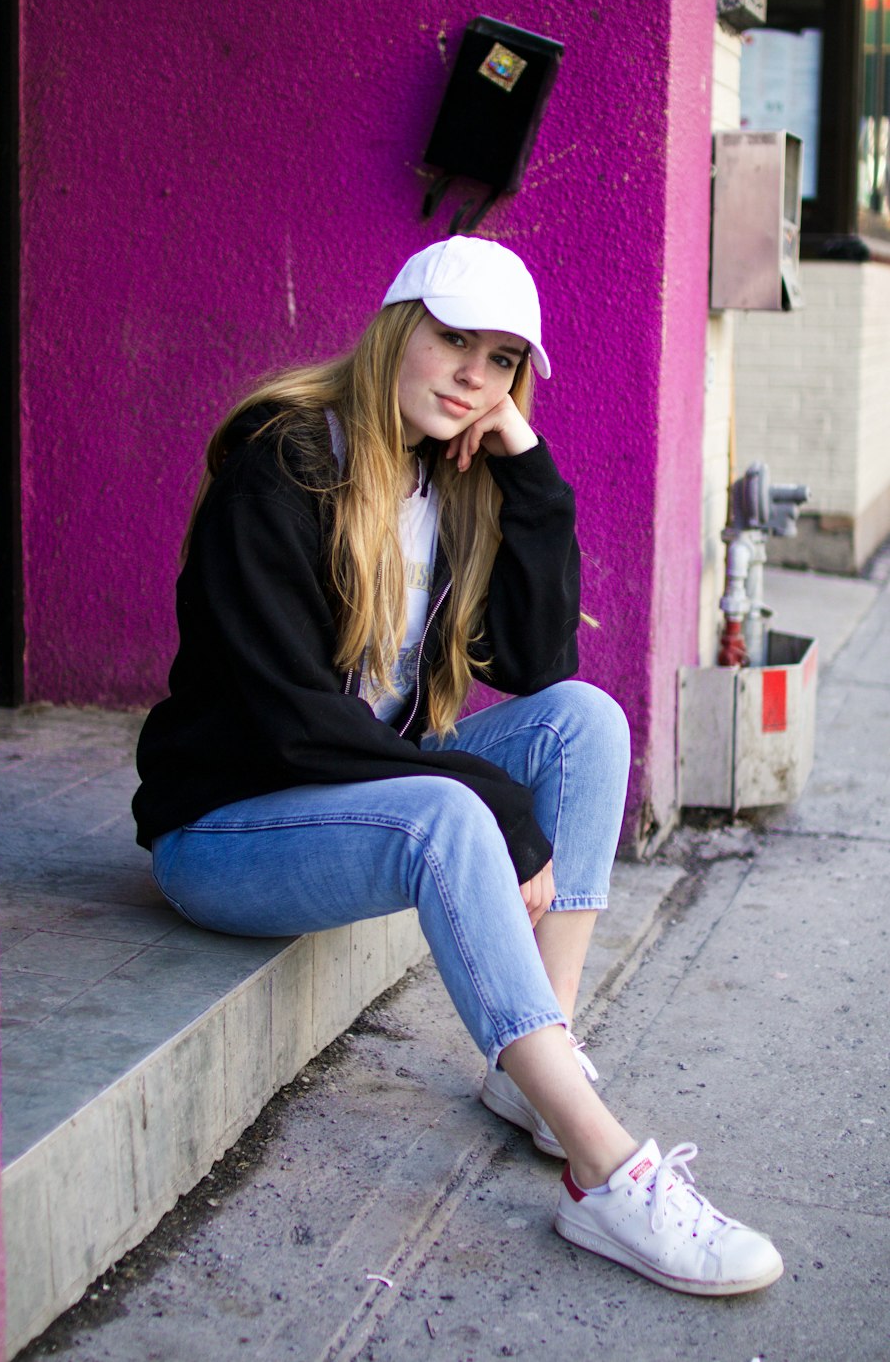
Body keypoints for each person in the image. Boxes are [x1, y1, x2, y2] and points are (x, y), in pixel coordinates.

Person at [133, 236, 783, 1296]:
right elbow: (290, 723)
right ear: (397, 327)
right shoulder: (285, 461)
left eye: (502, 359)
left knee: (584, 722)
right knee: (445, 809)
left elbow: (537, 661)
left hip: (355, 797)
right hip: (228, 828)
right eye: (451, 339)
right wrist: (488, 798)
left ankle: (537, 1069)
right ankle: (606, 1172)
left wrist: (524, 462)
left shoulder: (457, 474)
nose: (474, 374)